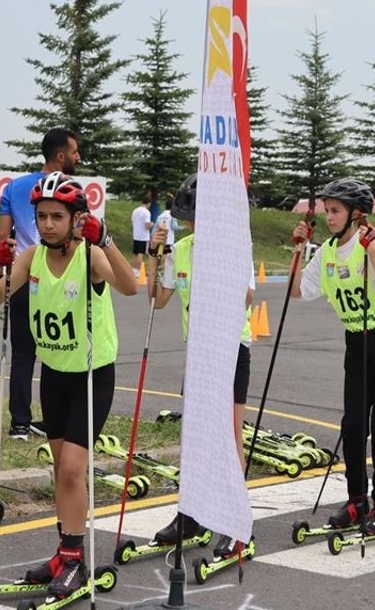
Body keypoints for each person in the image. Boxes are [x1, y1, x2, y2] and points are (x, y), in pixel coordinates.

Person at [0, 172, 137, 602]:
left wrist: (106, 240)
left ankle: (74, 560)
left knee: (72, 469)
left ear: (76, 219)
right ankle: (64, 552)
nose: (48, 224)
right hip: (52, 375)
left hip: (91, 375)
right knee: (60, 472)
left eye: (57, 217)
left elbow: (131, 286)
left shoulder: (90, 256)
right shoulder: (29, 257)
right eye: (42, 216)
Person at [291, 178, 375, 538]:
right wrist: (298, 250)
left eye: (336, 210)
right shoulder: (327, 251)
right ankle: (357, 498)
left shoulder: (369, 245)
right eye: (326, 210)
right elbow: (297, 290)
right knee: (353, 426)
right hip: (356, 343)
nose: (329, 217)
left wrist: (373, 248)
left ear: (356, 214)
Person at [147, 175, 258, 552]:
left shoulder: (236, 246)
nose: (195, 226)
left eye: (200, 218)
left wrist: (221, 259)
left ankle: (233, 516)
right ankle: (190, 515)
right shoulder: (181, 249)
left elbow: (245, 296)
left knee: (229, 435)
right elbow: (157, 300)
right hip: (196, 352)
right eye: (189, 219)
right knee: (194, 435)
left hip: (229, 349)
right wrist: (155, 255)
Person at [0, 128, 81, 439]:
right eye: (74, 152)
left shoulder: (15, 187)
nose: (78, 157)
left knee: (23, 353)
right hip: (56, 277)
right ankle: (55, 418)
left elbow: (2, 238)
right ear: (60, 156)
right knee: (60, 348)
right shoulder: (71, 188)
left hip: (23, 276)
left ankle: (20, 422)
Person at [130, 193, 153, 277]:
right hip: (143, 236)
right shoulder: (147, 212)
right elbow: (147, 225)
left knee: (135, 254)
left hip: (136, 234)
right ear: (149, 203)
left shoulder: (135, 210)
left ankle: (133, 270)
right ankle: (138, 270)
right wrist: (152, 224)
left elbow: (132, 222)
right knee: (140, 253)